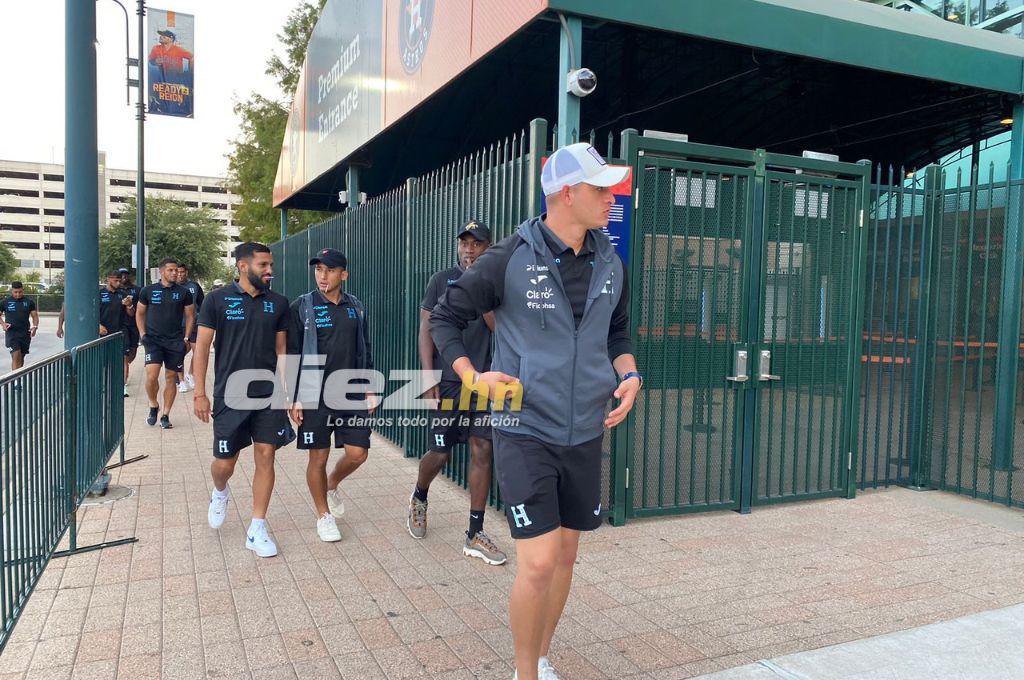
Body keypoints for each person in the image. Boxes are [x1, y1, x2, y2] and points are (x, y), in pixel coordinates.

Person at [430, 143, 642, 680]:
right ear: (566, 194)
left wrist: (630, 374)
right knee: (540, 561)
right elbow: (444, 320)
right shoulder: (506, 258)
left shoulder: (610, 259)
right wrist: (471, 376)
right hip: (522, 425)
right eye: (601, 189)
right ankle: (524, 673)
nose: (612, 199)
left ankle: (542, 655)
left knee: (567, 558)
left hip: (585, 429)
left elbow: (616, 333)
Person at [407, 220, 506, 566]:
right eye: (464, 244)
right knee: (441, 451)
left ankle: (474, 533)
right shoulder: (441, 280)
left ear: (487, 248)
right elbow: (427, 328)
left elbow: (497, 326)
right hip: (448, 380)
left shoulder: (496, 283)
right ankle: (420, 497)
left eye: (476, 244)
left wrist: (481, 292)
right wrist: (427, 374)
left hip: (484, 380)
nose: (468, 250)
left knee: (482, 449)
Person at [193, 242, 293, 558]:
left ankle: (257, 527)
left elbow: (282, 352)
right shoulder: (216, 300)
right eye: (263, 265)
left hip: (268, 395)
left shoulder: (278, 303)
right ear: (242, 266)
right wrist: (199, 393)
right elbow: (201, 347)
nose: (269, 271)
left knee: (266, 454)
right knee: (225, 464)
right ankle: (220, 491)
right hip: (230, 394)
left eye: (270, 265)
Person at [287, 249, 376, 543]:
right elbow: (293, 354)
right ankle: (324, 516)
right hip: (314, 395)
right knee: (318, 457)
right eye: (319, 270)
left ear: (344, 275)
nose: (323, 276)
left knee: (358, 453)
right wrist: (295, 396)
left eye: (330, 270)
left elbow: (364, 348)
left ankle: (332, 483)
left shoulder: (356, 307)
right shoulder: (303, 306)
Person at [136, 258, 194, 428]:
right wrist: (142, 333)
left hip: (175, 342)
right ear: (161, 272)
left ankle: (165, 415)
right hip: (153, 340)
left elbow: (191, 315)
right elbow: (139, 313)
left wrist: (186, 337)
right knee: (152, 376)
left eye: (176, 270)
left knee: (170, 377)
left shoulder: (184, 292)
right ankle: (153, 404)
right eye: (171, 270)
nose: (175, 273)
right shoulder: (148, 291)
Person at [98, 270, 134, 390]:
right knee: (104, 360)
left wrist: (129, 305)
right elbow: (91, 314)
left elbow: (131, 314)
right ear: (108, 279)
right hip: (104, 333)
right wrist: (98, 326)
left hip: (121, 331)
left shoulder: (123, 294)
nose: (119, 283)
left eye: (120, 280)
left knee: (123, 359)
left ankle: (122, 386)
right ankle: (104, 384)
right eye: (116, 280)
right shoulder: (99, 294)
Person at [175, 264, 204, 393]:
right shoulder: (172, 287)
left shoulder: (194, 286)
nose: (180, 274)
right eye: (178, 272)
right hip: (176, 325)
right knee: (179, 352)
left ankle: (190, 374)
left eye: (182, 272)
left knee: (197, 351)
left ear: (186, 272)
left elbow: (202, 304)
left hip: (194, 323)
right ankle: (180, 381)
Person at [1, 282, 38, 371]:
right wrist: (3, 324)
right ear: (11, 291)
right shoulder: (5, 302)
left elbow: (35, 316)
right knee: (16, 354)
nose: (18, 294)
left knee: (21, 357)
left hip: (25, 333)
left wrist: (35, 326)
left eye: (20, 292)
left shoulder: (29, 302)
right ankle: (15, 382)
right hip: (11, 333)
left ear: (23, 291)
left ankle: (19, 377)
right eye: (15, 292)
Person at [119, 268, 142, 394]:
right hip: (122, 326)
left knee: (132, 353)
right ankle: (123, 383)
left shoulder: (137, 290)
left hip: (134, 324)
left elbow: (142, 308)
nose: (123, 277)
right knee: (125, 355)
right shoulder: (116, 291)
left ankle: (125, 368)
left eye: (125, 275)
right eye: (121, 275)